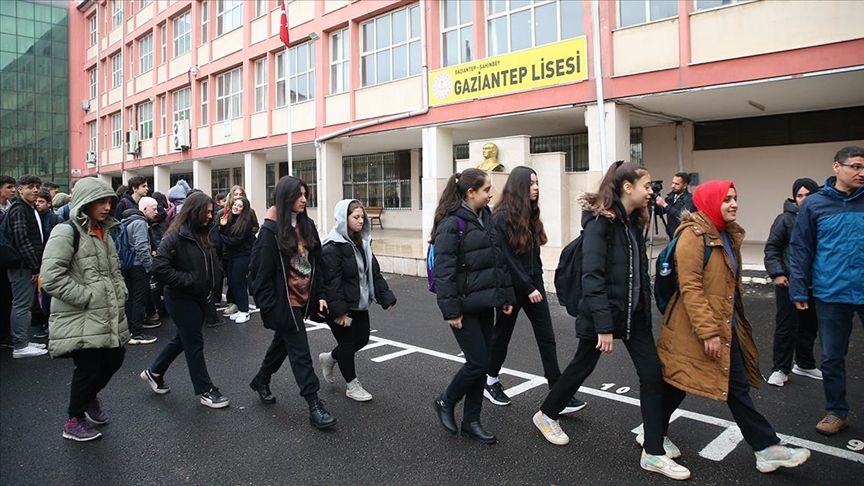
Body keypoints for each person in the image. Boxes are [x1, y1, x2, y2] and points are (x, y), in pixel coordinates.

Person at [530, 162, 688, 479]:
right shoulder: (600, 224)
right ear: (627, 187)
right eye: (645, 185)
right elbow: (592, 277)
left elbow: (636, 275)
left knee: (652, 376)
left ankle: (653, 452)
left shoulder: (633, 223)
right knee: (581, 367)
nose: (650, 191)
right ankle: (547, 414)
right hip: (603, 314)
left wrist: (645, 309)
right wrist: (604, 326)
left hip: (634, 318)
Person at [657, 180, 811, 475]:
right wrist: (709, 331)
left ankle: (765, 449)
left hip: (724, 329)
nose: (733, 204)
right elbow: (691, 287)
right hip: (697, 329)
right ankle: (654, 432)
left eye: (735, 198)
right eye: (726, 199)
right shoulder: (693, 235)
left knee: (732, 386)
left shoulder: (727, 234)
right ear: (712, 201)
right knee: (679, 383)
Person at [483, 166, 586, 413]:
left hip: (532, 283)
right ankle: (490, 381)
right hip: (513, 287)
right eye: (531, 183)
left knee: (547, 337)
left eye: (537, 183)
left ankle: (557, 392)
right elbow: (507, 258)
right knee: (502, 335)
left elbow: (532, 255)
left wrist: (536, 280)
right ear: (519, 186)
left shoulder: (529, 214)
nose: (536, 187)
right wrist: (527, 286)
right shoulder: (501, 217)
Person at [40, 177, 130, 441]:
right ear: (84, 202)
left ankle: (89, 398)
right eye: (100, 201)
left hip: (108, 312)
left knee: (115, 358)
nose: (106, 207)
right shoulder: (66, 231)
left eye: (109, 202)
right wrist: (86, 297)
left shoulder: (105, 231)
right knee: (88, 368)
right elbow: (51, 276)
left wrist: (120, 292)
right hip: (81, 314)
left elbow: (114, 271)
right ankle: (74, 419)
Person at [431, 168, 515, 445]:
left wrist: (504, 297)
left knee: (480, 363)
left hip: (485, 303)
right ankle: (446, 401)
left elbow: (497, 261)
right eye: (487, 189)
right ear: (471, 192)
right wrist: (451, 311)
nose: (491, 194)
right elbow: (444, 272)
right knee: (478, 363)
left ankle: (472, 421)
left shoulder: (486, 217)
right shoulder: (451, 224)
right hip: (464, 307)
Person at [248, 176, 336, 429]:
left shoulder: (306, 224)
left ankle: (261, 379)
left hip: (304, 298)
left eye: (305, 194)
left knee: (284, 344)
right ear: (285, 198)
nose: (304, 199)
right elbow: (259, 274)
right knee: (300, 352)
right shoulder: (270, 231)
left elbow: (317, 263)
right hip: (284, 302)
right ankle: (313, 404)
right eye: (299, 195)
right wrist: (271, 306)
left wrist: (321, 295)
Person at [790, 145, 864, 436]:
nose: (861, 172)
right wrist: (799, 290)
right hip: (831, 293)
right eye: (855, 166)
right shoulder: (815, 204)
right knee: (832, 356)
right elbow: (801, 249)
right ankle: (837, 412)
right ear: (837, 167)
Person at [141, 192, 229, 409]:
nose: (211, 216)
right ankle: (205, 390)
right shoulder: (175, 237)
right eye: (207, 212)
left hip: (199, 297)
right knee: (194, 343)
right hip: (181, 298)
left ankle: (154, 372)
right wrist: (189, 280)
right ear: (195, 211)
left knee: (184, 338)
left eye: (211, 211)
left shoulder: (202, 233)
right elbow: (159, 268)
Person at [319, 199, 397, 402]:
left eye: (362, 216)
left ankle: (330, 358)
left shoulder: (363, 243)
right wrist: (340, 312)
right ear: (343, 219)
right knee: (347, 343)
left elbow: (374, 273)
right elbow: (332, 283)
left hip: (359, 304)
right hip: (342, 308)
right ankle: (352, 386)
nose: (361, 220)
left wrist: (385, 297)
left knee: (361, 339)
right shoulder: (332, 246)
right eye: (356, 217)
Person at [763, 178, 821, 387]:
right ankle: (780, 368)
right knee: (786, 327)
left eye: (808, 194)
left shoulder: (822, 216)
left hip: (815, 283)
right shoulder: (785, 219)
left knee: (809, 326)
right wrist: (778, 274)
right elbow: (772, 249)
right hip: (789, 282)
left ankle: (805, 364)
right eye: (800, 195)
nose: (804, 199)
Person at [5, 175, 48, 358]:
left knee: (24, 304)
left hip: (27, 266)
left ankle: (22, 340)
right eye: (30, 187)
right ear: (20, 189)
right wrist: (34, 267)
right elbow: (22, 240)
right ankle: (20, 345)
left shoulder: (29, 209)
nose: (35, 190)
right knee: (21, 304)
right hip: (22, 267)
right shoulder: (19, 210)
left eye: (37, 186)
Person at [120, 198, 160, 345]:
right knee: (139, 299)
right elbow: (141, 247)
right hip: (139, 266)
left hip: (128, 264)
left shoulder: (127, 221)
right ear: (144, 209)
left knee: (131, 298)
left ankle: (130, 329)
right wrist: (150, 266)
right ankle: (136, 333)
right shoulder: (140, 223)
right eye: (153, 209)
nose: (156, 212)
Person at [218, 196, 256, 324]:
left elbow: (235, 241)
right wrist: (222, 226)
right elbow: (227, 236)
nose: (236, 207)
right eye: (235, 204)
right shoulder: (231, 219)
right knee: (232, 282)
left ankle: (245, 311)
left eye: (240, 206)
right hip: (232, 256)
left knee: (239, 282)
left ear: (244, 209)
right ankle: (240, 309)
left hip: (243, 256)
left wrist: (220, 236)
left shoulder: (246, 223)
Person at [32, 189, 60, 340]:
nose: (37, 204)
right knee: (38, 297)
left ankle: (49, 324)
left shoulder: (55, 219)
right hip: (37, 262)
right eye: (36, 201)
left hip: (49, 261)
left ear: (49, 203)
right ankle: (41, 321)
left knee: (48, 296)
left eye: (41, 201)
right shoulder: (33, 217)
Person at [655, 172, 696, 239]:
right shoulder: (670, 197)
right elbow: (661, 211)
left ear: (685, 185)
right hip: (671, 233)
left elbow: (681, 215)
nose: (673, 186)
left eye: (676, 184)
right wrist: (653, 203)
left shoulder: (690, 199)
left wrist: (665, 204)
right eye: (673, 183)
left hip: (684, 234)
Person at [0, 174, 15, 349]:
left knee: (7, 298)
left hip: (9, 260)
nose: (12, 190)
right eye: (9, 187)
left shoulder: (12, 208)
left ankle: (6, 333)